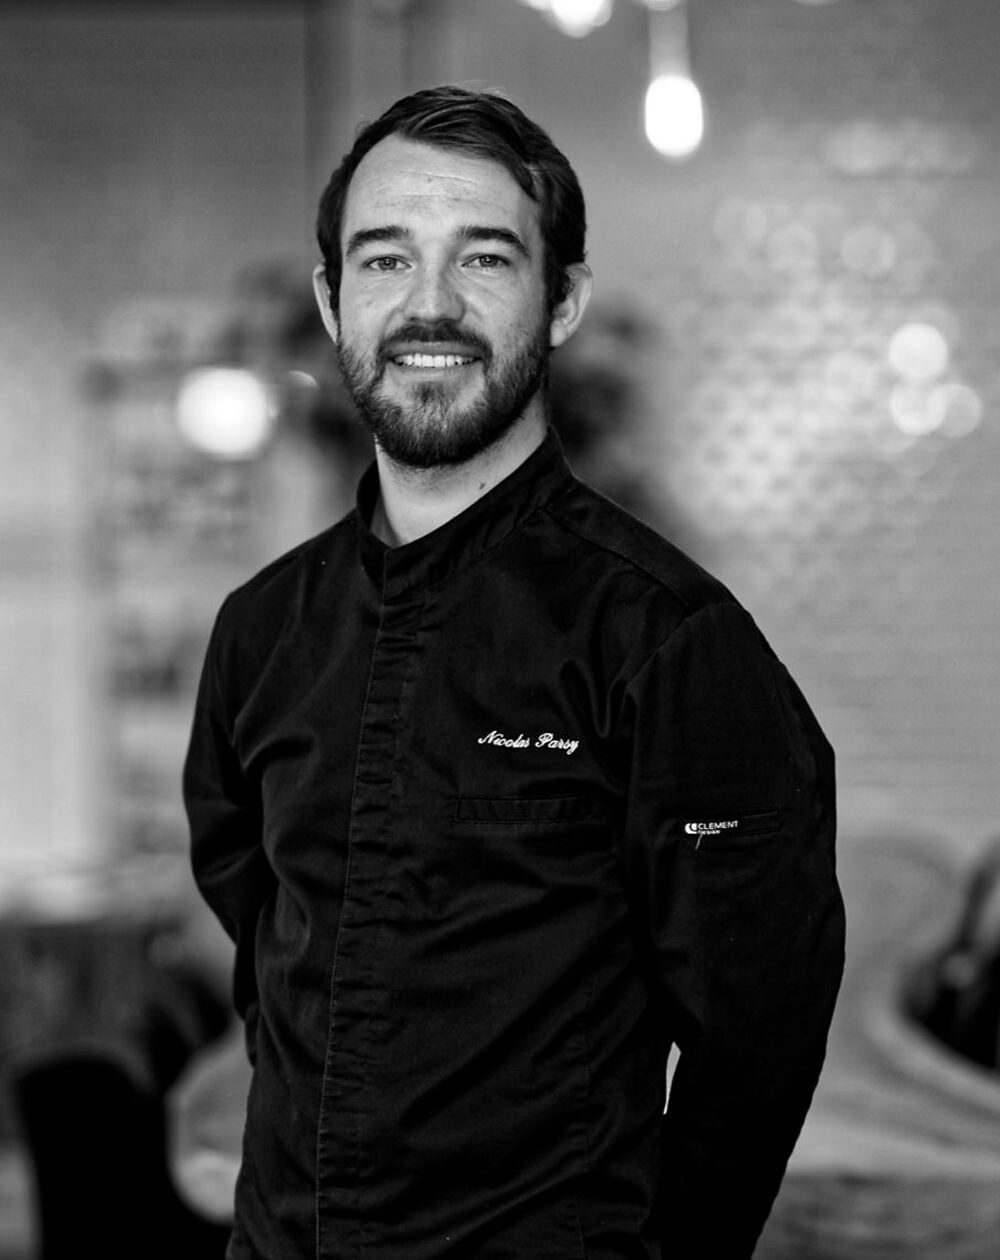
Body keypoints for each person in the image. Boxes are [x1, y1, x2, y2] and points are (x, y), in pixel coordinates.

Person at [183, 85, 845, 1260]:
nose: (426, 306)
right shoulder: (261, 633)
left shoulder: (665, 640)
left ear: (563, 301)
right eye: (384, 260)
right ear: (335, 300)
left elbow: (760, 1035)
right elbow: (266, 945)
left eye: (483, 258)